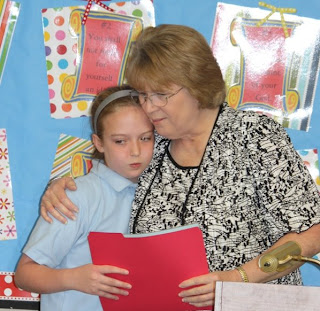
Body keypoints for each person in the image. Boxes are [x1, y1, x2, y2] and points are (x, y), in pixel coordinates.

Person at [40, 24, 320, 308]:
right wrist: (61, 187)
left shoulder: (252, 136)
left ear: (197, 85)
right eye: (143, 95)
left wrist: (238, 279)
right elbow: (108, 178)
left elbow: (313, 232)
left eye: (161, 94)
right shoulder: (154, 144)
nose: (149, 107)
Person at [14, 85, 155, 310]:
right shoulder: (76, 197)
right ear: (99, 143)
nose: (135, 151)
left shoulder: (159, 193)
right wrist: (74, 278)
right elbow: (24, 274)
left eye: (146, 138)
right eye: (120, 141)